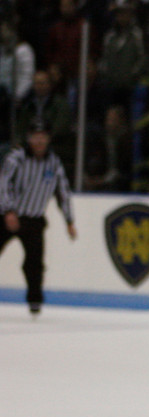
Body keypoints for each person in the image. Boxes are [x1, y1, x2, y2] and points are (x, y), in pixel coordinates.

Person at [0, 118, 77, 314]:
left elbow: (63, 192)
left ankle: (35, 300)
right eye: (35, 137)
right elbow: (3, 184)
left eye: (43, 137)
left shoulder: (54, 163)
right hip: (7, 217)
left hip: (34, 220)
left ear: (49, 139)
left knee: (35, 263)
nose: (39, 141)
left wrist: (69, 220)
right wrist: (8, 211)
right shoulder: (16, 158)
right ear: (29, 138)